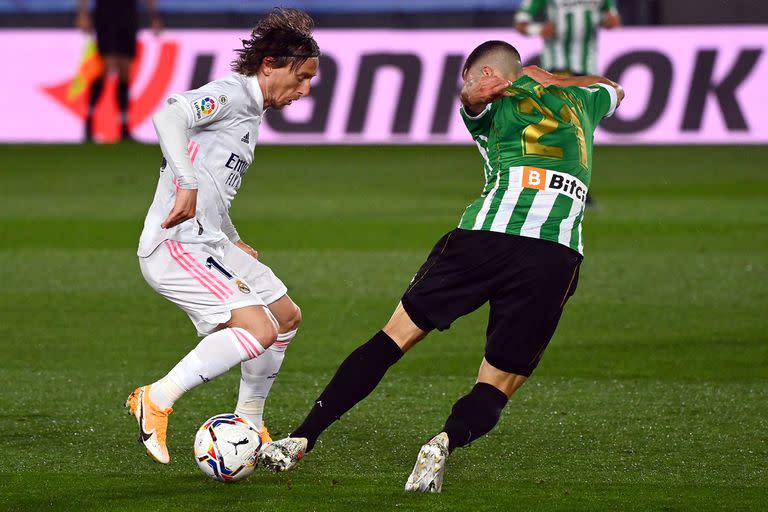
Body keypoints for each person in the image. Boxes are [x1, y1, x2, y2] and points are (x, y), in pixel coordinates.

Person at [259, 40, 623, 493]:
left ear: (487, 72)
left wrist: (476, 93)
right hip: (554, 255)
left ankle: (301, 438)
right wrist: (555, 80)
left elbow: (471, 99)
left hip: (483, 239)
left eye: (471, 77)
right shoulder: (582, 99)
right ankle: (444, 442)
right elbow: (614, 88)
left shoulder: (489, 107)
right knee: (498, 382)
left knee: (392, 339)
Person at [124, 8, 320, 465]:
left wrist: (232, 236)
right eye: (302, 77)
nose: (306, 90)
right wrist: (185, 182)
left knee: (285, 316)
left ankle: (250, 419)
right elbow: (169, 115)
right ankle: (155, 399)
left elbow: (217, 190)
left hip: (210, 239)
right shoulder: (231, 95)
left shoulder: (251, 112)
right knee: (256, 329)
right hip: (176, 244)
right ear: (269, 63)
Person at [515, 0, 622, 207]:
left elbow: (613, 20)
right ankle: (550, 181)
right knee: (558, 127)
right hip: (556, 70)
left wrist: (608, 21)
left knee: (583, 128)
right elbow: (521, 23)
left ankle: (574, 185)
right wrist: (539, 28)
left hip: (586, 70)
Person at [76, 0, 163, 142]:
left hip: (128, 13)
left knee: (125, 71)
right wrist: (83, 13)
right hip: (106, 13)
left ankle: (124, 126)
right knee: (106, 67)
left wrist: (154, 16)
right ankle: (89, 121)